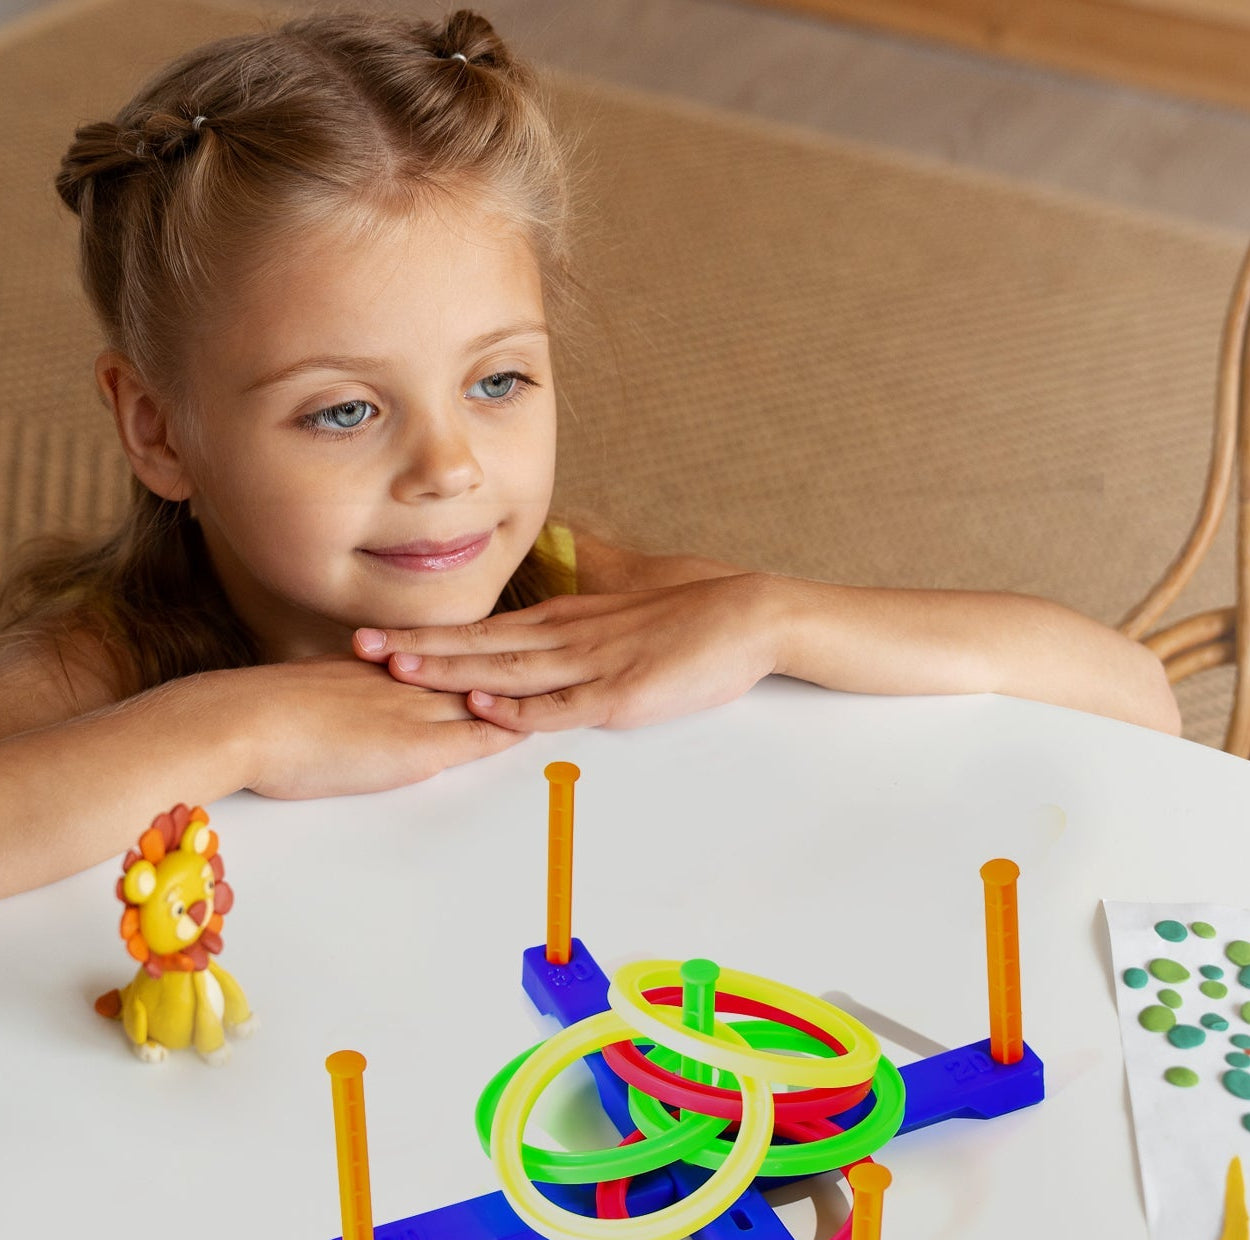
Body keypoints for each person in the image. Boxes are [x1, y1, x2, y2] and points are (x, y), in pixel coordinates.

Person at [0, 9, 1179, 900]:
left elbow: (1131, 702)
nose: (449, 469)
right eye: (344, 412)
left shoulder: (574, 604)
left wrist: (774, 616)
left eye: (498, 381)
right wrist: (233, 726)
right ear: (158, 429)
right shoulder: (102, 658)